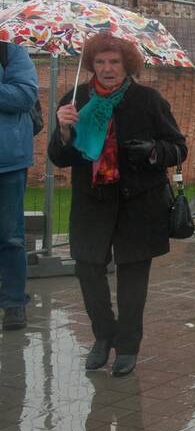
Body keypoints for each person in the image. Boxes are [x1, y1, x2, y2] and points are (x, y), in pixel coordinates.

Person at [48, 34, 187, 377]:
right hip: (92, 200)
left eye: (114, 62)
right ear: (91, 64)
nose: (107, 69)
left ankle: (127, 346)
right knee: (87, 270)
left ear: (127, 65)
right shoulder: (75, 100)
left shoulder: (147, 100)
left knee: (132, 278)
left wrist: (152, 151)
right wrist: (63, 131)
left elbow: (178, 148)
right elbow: (60, 158)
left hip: (138, 202)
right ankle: (103, 335)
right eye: (100, 62)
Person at [1, 41, 39, 331]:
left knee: (10, 235)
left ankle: (14, 302)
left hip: (7, 161)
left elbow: (25, 96)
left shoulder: (10, 52)